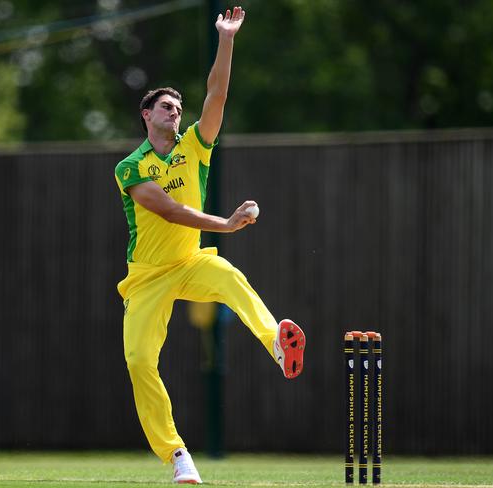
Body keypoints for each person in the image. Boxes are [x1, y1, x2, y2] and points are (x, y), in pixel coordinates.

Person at [114, 6, 306, 484]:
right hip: (147, 277)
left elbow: (217, 93)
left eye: (179, 108)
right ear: (146, 115)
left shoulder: (194, 146)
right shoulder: (130, 167)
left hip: (190, 261)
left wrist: (227, 39)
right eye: (165, 107)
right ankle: (177, 454)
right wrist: (225, 223)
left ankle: (278, 348)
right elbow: (169, 211)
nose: (175, 113)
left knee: (231, 278)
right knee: (139, 361)